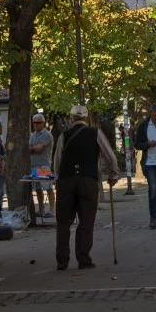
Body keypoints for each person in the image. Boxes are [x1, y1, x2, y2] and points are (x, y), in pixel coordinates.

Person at [55, 105, 119, 270]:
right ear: (87, 118)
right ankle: (84, 259)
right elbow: (110, 156)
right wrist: (113, 175)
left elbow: (57, 161)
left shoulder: (64, 135)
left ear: (71, 119)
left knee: (63, 222)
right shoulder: (95, 133)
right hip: (88, 180)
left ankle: (62, 260)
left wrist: (58, 180)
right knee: (86, 221)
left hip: (67, 180)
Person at [28, 112, 53, 220]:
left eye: (38, 123)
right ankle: (41, 209)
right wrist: (33, 148)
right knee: (38, 188)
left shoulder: (46, 134)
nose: (36, 125)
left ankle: (52, 210)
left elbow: (39, 148)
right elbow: (33, 148)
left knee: (48, 188)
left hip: (43, 166)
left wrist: (32, 148)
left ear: (43, 123)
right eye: (34, 123)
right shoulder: (33, 135)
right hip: (34, 165)